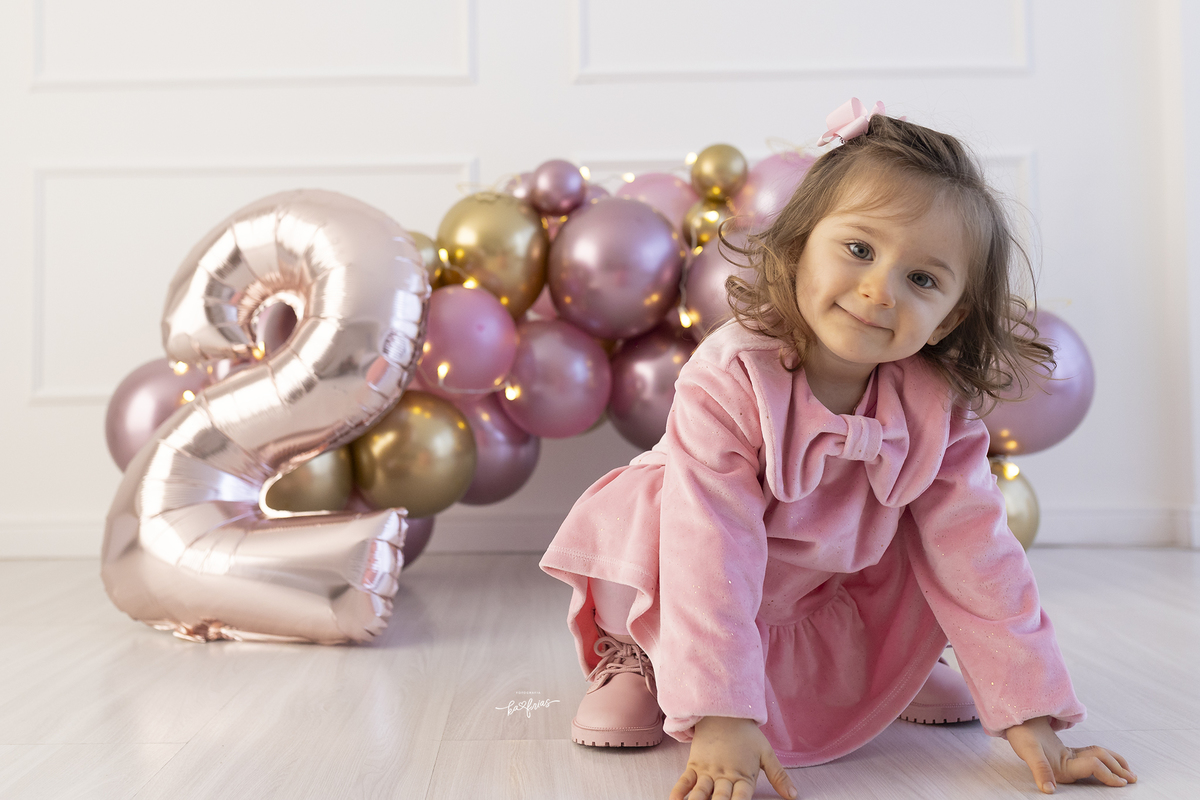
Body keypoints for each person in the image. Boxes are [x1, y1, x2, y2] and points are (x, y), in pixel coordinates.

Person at [538, 99, 1138, 799]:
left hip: (817, 584)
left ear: (950, 318)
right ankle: (640, 656)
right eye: (859, 249)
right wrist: (722, 714)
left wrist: (1033, 718)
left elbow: (982, 558)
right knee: (652, 507)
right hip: (691, 567)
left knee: (940, 535)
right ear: (799, 248)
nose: (878, 291)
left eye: (922, 280)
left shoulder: (935, 408)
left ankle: (895, 668)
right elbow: (712, 546)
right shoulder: (731, 375)